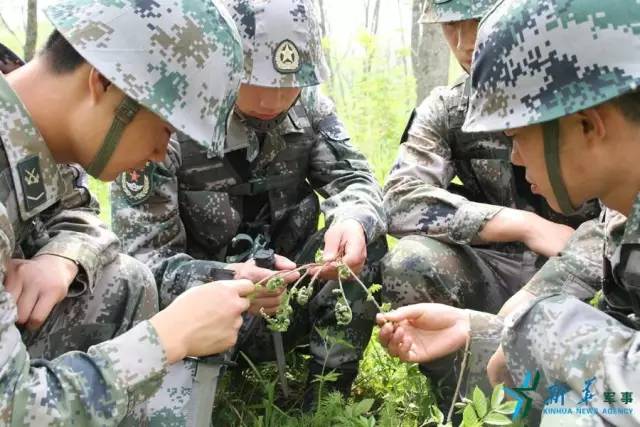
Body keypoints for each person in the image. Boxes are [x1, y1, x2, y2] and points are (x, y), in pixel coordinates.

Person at [111, 0, 387, 406]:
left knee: (364, 236)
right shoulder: (166, 123)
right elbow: (142, 261)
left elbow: (355, 179)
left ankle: (328, 394)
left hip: (290, 297)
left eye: (287, 84)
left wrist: (353, 219)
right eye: (255, 80)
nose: (271, 100)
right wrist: (222, 278)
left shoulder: (310, 107)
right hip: (195, 315)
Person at [378, 0, 640, 424]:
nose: (515, 157)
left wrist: (547, 325)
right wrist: (485, 330)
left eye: (518, 136)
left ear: (589, 125)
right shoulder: (623, 215)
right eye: (451, 27)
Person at [0, 0, 255, 424]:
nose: (159, 155)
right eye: (164, 130)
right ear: (103, 84)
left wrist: (65, 255)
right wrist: (168, 339)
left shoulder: (35, 140)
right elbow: (11, 408)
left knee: (123, 282)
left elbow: (82, 215)